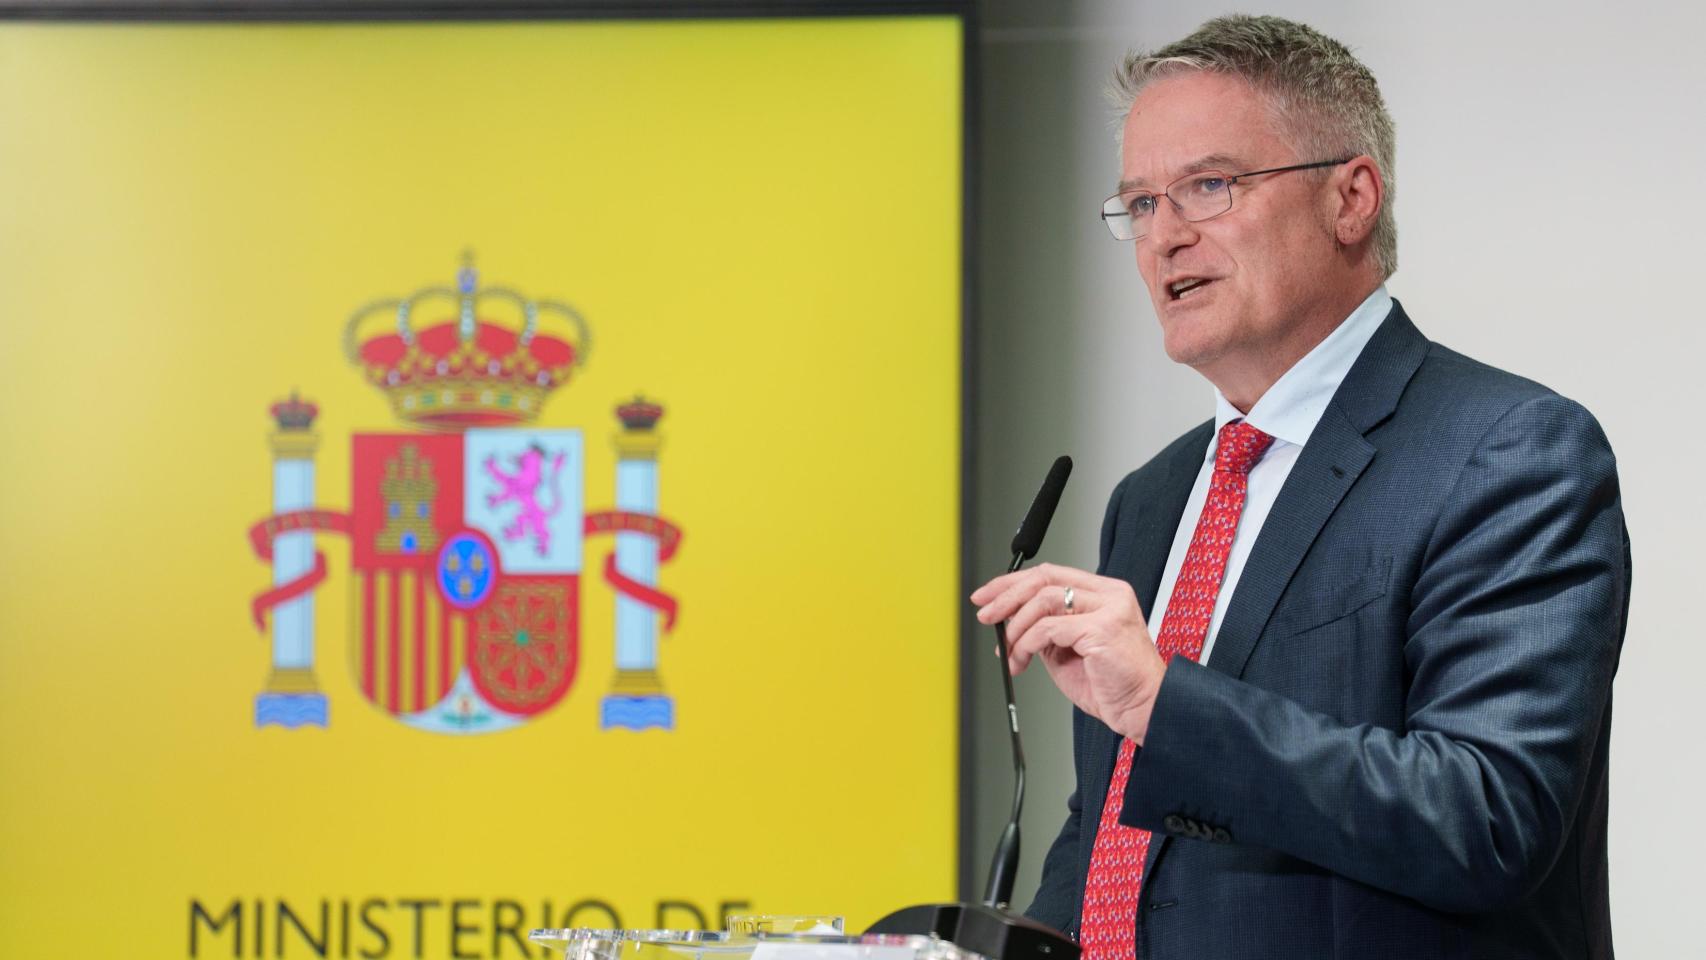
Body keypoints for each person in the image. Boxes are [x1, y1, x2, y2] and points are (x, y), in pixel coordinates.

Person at [970, 15, 1629, 960]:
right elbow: (1117, 841)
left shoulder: (1507, 451)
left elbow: (1488, 816)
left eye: (1208, 185)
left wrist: (1166, 702)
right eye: (1140, 205)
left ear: (1351, 198)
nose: (1165, 237)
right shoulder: (1151, 500)